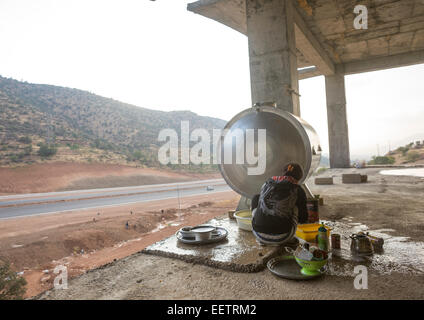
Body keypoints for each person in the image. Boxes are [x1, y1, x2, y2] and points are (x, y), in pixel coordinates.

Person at [251, 163, 308, 246]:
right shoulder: (298, 190)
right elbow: (303, 219)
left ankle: (264, 239)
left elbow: (259, 201)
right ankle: (285, 238)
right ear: (299, 177)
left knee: (256, 198)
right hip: (283, 237)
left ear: (284, 173)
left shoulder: (267, 183)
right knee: (295, 206)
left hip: (258, 234)